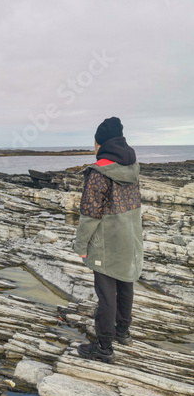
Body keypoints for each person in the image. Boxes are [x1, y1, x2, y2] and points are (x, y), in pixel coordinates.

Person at [74, 116, 143, 363]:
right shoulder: (132, 168)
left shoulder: (98, 172)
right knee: (126, 285)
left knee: (106, 295)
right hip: (130, 240)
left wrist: (80, 245)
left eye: (94, 140)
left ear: (101, 142)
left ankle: (104, 347)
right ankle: (122, 332)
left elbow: (89, 215)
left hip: (106, 244)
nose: (93, 145)